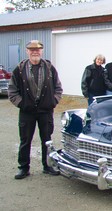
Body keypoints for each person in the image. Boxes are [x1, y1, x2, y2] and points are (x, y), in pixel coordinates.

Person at [8, 40, 63, 179]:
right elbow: (12, 91)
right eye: (31, 49)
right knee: (25, 140)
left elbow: (58, 87)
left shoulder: (49, 68)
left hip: (45, 111)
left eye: (37, 49)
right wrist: (22, 104)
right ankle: (23, 168)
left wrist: (53, 101)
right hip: (27, 112)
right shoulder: (19, 69)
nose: (35, 52)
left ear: (42, 51)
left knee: (47, 139)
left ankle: (48, 166)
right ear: (27, 51)